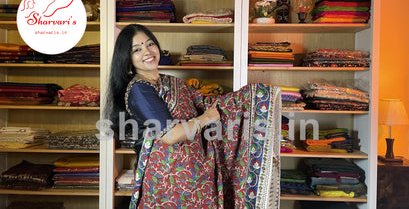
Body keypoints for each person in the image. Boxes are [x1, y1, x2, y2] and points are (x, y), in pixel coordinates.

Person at [106, 24, 281, 209]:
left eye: (150, 44)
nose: (147, 52)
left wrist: (253, 96)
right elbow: (170, 135)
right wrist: (205, 119)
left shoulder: (169, 81)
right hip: (168, 179)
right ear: (127, 58)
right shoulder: (140, 90)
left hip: (196, 171)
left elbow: (206, 104)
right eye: (137, 49)